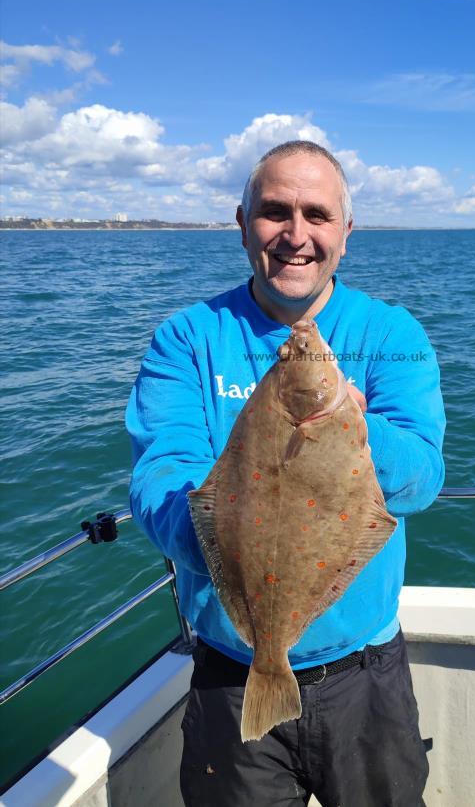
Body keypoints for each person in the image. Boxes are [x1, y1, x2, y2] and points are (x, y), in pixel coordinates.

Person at [125, 140, 446, 806]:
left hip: (364, 673)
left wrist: (353, 431)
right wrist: (226, 536)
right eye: (274, 212)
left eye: (317, 215)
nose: (295, 235)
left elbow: (420, 480)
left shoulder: (391, 333)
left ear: (345, 233)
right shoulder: (185, 338)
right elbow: (159, 479)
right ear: (241, 224)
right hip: (231, 672)